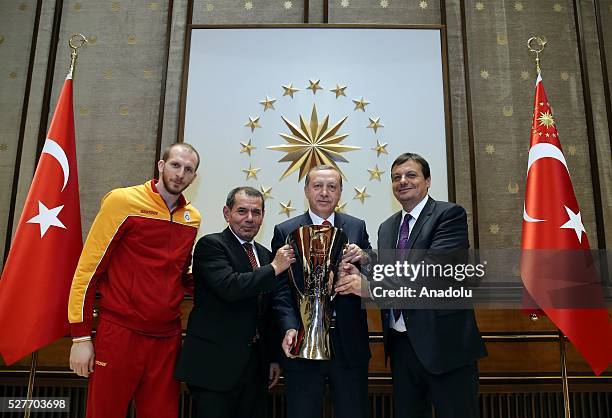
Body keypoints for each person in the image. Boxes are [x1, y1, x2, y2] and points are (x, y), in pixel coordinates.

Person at [67, 143, 201, 418]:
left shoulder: (192, 218)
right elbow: (88, 270)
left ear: (194, 178)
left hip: (167, 337)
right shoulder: (122, 201)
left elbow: (180, 273)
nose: (180, 174)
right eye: (175, 165)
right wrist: (80, 337)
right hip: (120, 332)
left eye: (188, 169)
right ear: (161, 166)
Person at [375, 152, 486, 418]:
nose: (402, 181)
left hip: (445, 344)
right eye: (396, 177)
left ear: (427, 181)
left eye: (411, 175)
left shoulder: (449, 215)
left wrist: (369, 285)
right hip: (401, 345)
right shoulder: (386, 227)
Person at [175, 186, 295, 418]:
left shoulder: (264, 253)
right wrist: (274, 268)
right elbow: (230, 287)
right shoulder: (211, 245)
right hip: (213, 368)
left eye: (256, 212)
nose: (250, 218)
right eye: (242, 211)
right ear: (226, 213)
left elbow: (267, 311)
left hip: (254, 368)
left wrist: (272, 357)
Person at [272, 165, 372, 418]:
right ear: (306, 190)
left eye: (332, 187)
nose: (324, 193)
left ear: (340, 193)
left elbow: (373, 276)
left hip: (348, 342)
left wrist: (365, 259)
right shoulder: (285, 231)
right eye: (317, 186)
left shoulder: (357, 227)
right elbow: (281, 291)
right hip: (303, 340)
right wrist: (289, 327)